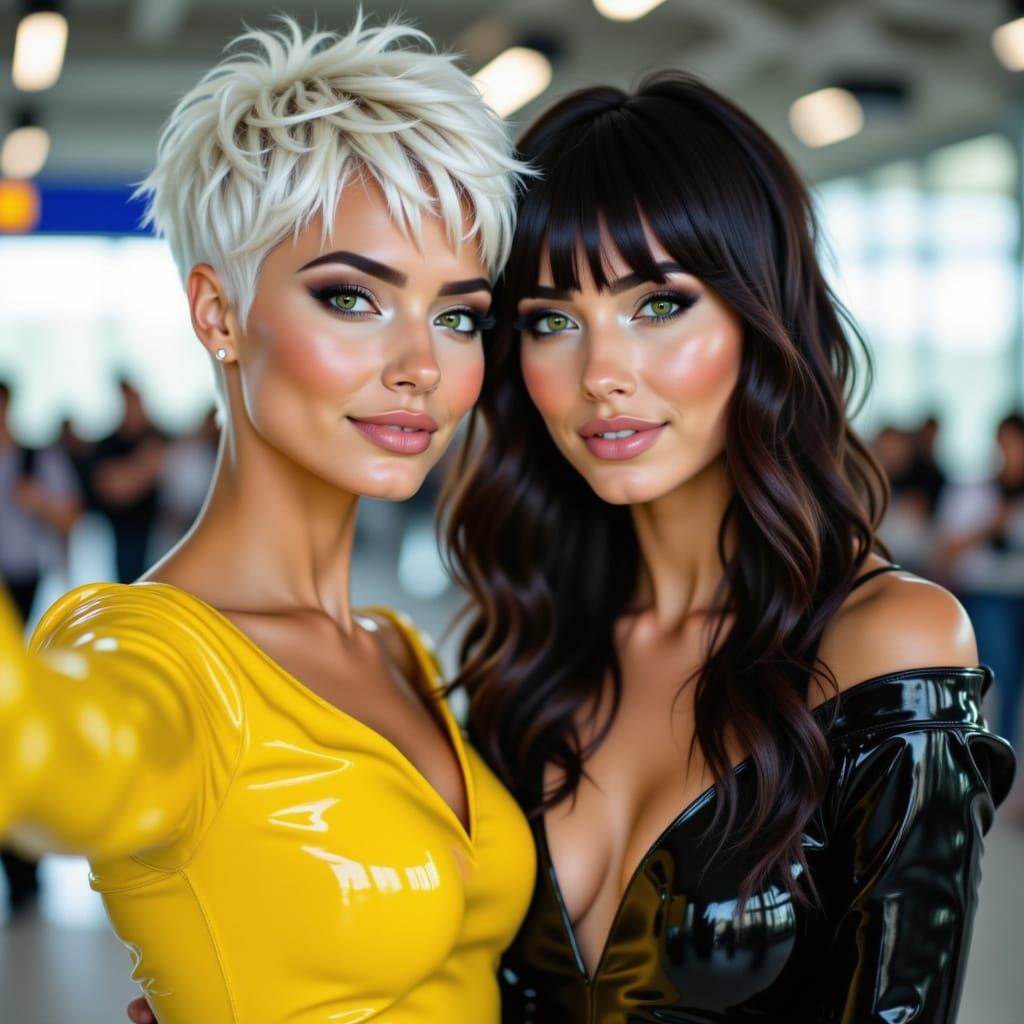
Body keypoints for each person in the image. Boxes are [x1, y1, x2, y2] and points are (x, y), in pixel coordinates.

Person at [443, 74, 1015, 1022]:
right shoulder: (530, 647)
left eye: (657, 304)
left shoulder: (887, 643)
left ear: (760, 318)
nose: (601, 375)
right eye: (552, 320)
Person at [0, 16, 534, 1024]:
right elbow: (46, 742)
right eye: (352, 297)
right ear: (218, 314)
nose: (421, 364)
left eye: (457, 313)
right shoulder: (152, 660)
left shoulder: (395, 647)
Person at [0, 382, 81, 914]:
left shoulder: (35, 459)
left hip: (22, 594)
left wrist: (39, 504)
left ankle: (25, 872)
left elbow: (69, 517)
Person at [938, 412, 1024, 750]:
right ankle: (990, 753)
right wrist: (993, 523)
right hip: (988, 595)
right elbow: (946, 550)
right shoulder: (973, 491)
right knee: (996, 679)